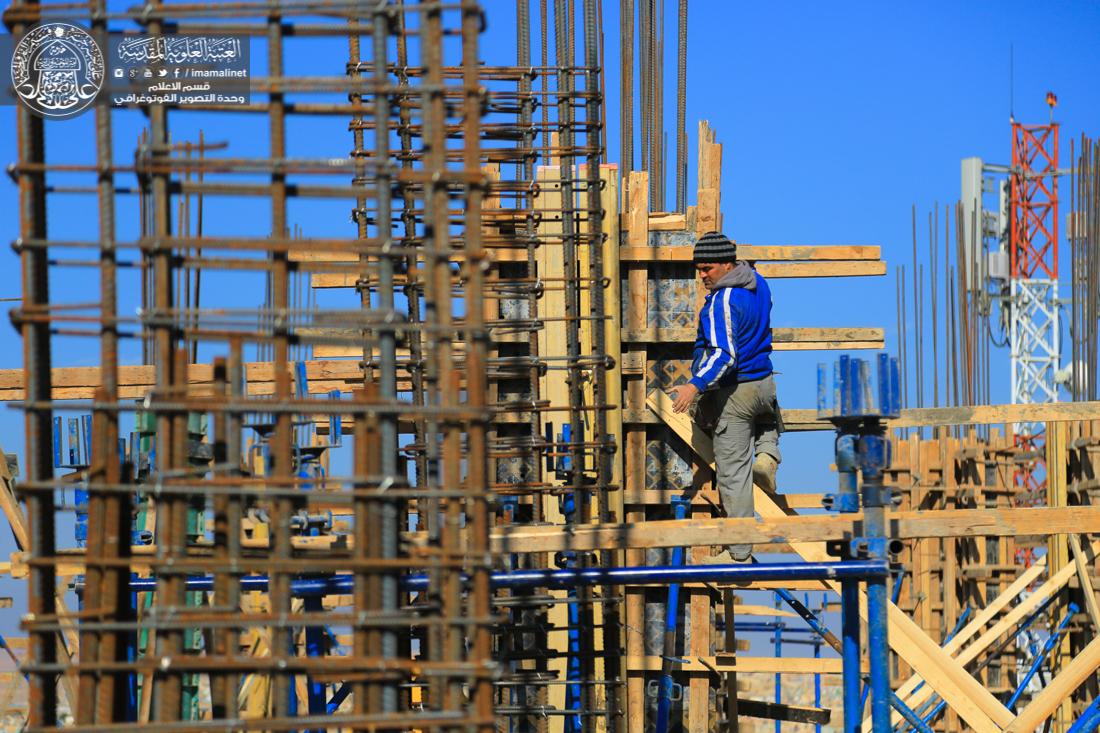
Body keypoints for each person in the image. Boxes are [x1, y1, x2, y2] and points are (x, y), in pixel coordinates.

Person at [668, 230, 782, 564]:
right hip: (764, 385)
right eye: (699, 269)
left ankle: (740, 554)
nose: (703, 275)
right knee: (765, 417)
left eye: (708, 268)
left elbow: (724, 355)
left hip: (738, 392)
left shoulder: (723, 301)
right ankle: (767, 457)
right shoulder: (758, 282)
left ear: (727, 263)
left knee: (732, 475)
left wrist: (694, 385)